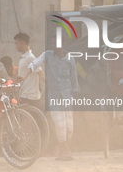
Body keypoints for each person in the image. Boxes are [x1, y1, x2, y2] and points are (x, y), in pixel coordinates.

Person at [17, 33, 79, 161]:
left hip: (67, 95)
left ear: (63, 44)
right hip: (54, 95)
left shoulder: (70, 59)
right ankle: (65, 149)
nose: (52, 46)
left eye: (55, 43)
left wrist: (76, 93)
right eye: (51, 43)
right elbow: (33, 65)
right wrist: (23, 77)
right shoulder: (47, 55)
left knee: (69, 126)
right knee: (59, 123)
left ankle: (62, 149)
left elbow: (74, 78)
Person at [14, 32, 45, 112]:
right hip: (24, 95)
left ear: (22, 43)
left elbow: (41, 74)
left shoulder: (30, 58)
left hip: (31, 98)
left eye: (16, 43)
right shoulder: (23, 58)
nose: (15, 46)